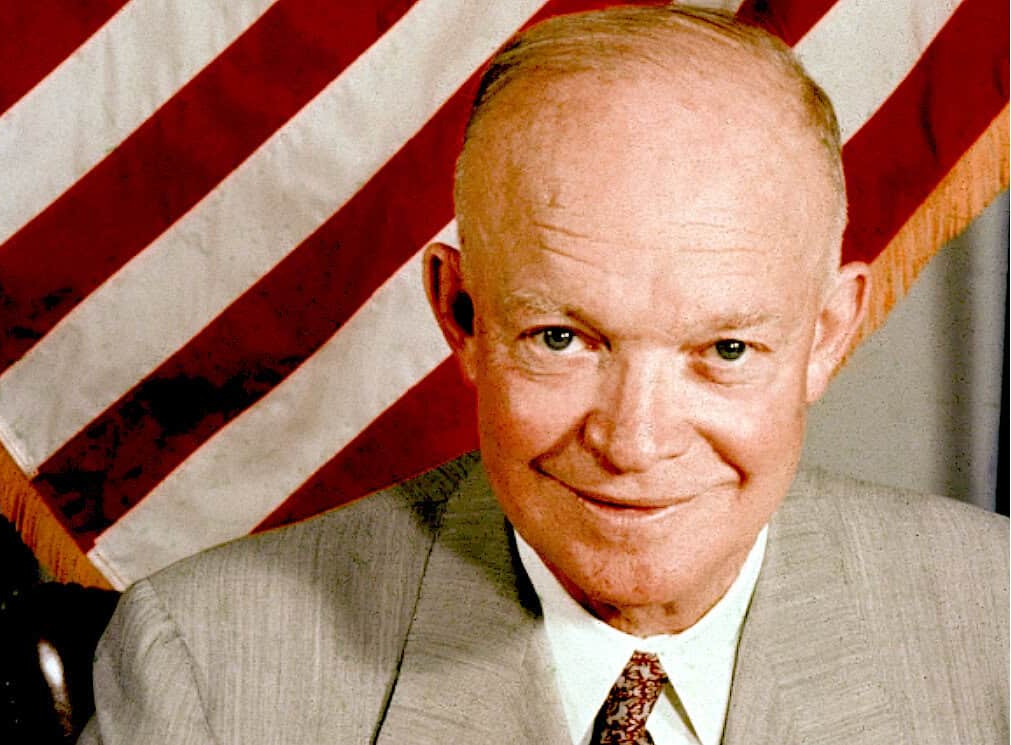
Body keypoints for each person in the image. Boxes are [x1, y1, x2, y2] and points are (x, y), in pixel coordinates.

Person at [78, 6, 1009, 744]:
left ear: (827, 336)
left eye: (723, 351)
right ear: (462, 316)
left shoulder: (993, 620)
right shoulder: (211, 663)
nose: (635, 442)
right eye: (563, 338)